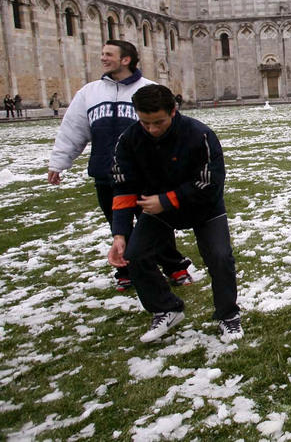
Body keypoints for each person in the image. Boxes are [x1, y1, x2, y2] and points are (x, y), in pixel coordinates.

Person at [48, 40, 192, 291]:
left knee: (157, 222)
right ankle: (125, 270)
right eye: (102, 53)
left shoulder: (150, 90)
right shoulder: (90, 93)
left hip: (147, 174)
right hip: (107, 173)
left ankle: (174, 266)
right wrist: (60, 162)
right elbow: (74, 128)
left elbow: (171, 129)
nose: (103, 58)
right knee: (116, 223)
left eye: (108, 54)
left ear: (126, 59)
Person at [107, 84, 243, 343]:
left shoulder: (199, 135)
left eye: (158, 122)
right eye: (145, 123)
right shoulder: (129, 140)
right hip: (157, 209)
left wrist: (167, 200)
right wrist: (120, 233)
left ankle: (228, 315)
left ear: (173, 110)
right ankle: (165, 308)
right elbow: (123, 186)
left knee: (220, 257)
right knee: (134, 256)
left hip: (203, 208)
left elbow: (210, 184)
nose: (152, 129)